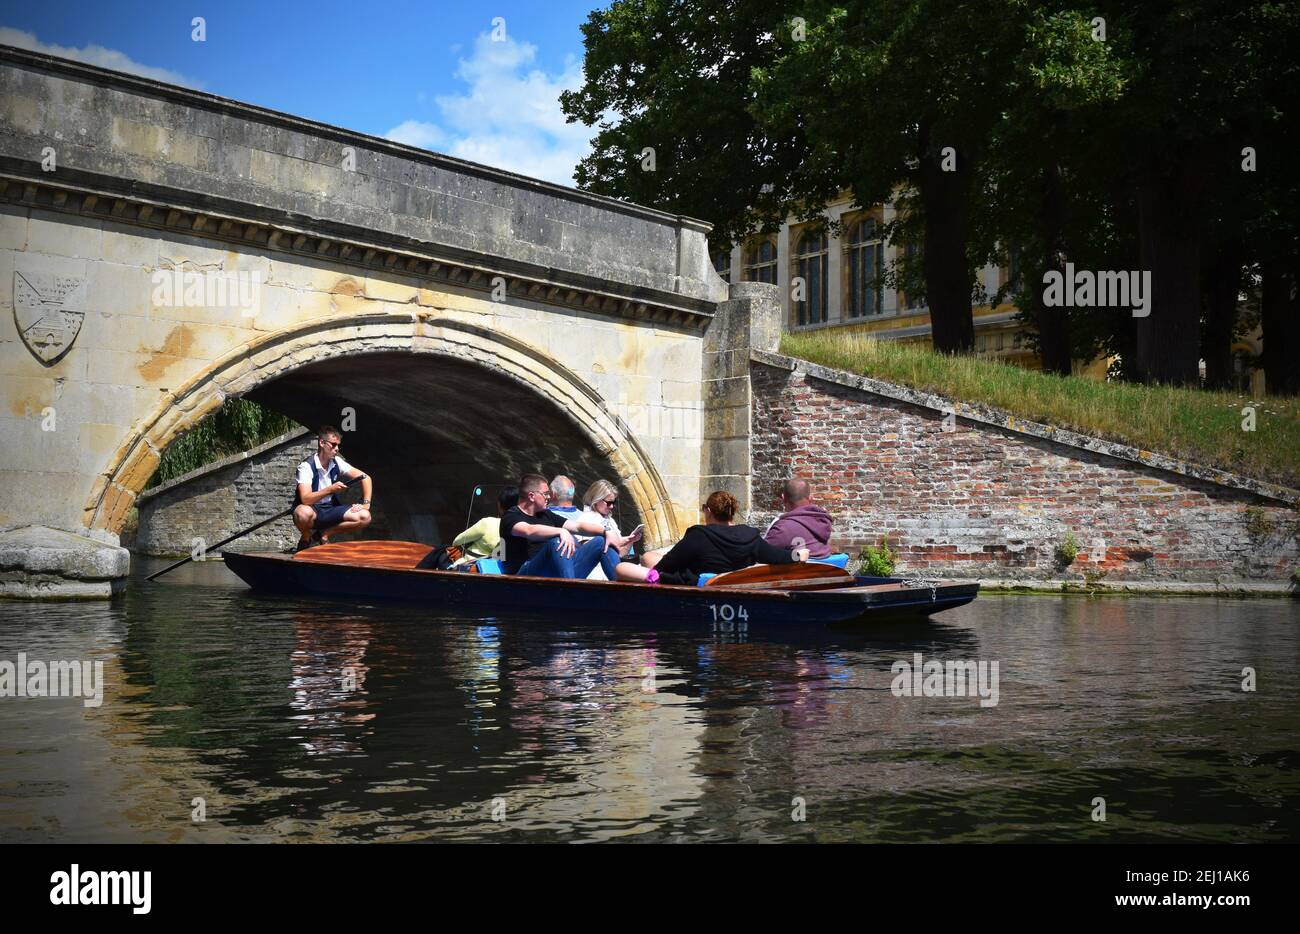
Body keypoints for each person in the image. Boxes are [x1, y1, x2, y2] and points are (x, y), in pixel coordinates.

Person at [645, 490, 809, 585]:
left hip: (700, 585)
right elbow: (778, 556)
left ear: (708, 511)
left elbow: (664, 567)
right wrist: (799, 554)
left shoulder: (699, 535)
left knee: (647, 558)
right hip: (733, 585)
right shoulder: (750, 536)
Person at [502, 474, 641, 579]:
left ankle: (620, 586)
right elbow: (529, 530)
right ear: (531, 496)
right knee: (556, 541)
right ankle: (571, 589)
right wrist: (560, 531)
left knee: (600, 541)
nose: (548, 498)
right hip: (524, 575)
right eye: (545, 494)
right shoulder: (511, 516)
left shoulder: (547, 514)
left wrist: (606, 532)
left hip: (556, 573)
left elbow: (578, 527)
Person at [292, 426, 372, 551]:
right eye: (333, 445)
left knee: (365, 516)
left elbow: (366, 478)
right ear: (322, 443)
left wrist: (366, 504)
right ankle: (307, 536)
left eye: (338, 445)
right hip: (312, 510)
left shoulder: (337, 462)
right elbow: (306, 499)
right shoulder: (306, 467)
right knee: (301, 513)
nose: (337, 449)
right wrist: (330, 489)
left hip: (330, 509)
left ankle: (324, 534)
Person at [579, 479, 656, 582]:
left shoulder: (610, 521)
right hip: (597, 573)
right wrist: (618, 541)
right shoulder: (585, 518)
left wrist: (630, 540)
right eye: (609, 502)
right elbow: (590, 552)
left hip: (614, 568)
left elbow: (620, 554)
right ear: (596, 499)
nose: (611, 506)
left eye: (613, 502)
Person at [762, 478, 834, 558]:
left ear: (783, 498)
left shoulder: (782, 529)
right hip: (823, 569)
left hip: (794, 570)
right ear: (811, 498)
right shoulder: (823, 521)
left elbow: (760, 555)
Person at [450, 486, 517, 567]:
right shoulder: (522, 528)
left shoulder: (487, 523)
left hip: (472, 569)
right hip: (502, 571)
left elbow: (457, 541)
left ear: (499, 505)